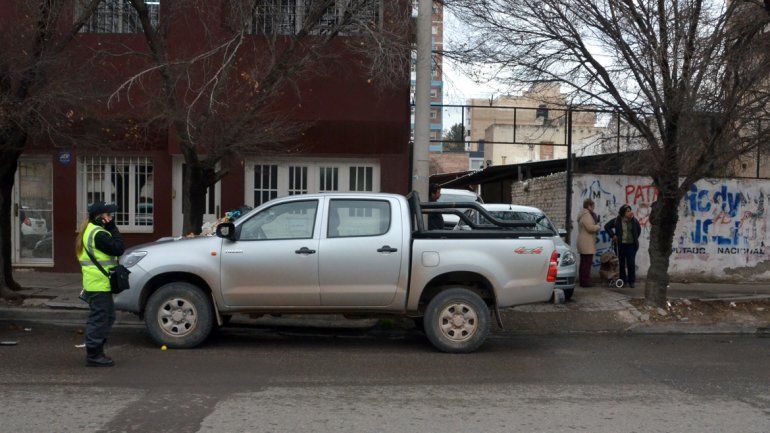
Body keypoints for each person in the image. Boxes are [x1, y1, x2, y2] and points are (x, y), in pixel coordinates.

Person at [75, 202, 124, 367]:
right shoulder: (99, 234)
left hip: (98, 283)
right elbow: (118, 248)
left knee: (108, 317)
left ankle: (97, 351)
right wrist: (113, 227)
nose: (111, 218)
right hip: (98, 284)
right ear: (100, 217)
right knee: (100, 319)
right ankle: (94, 355)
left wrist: (109, 225)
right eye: (108, 215)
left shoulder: (92, 230)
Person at [604, 204, 642, 288]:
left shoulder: (634, 221)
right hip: (620, 245)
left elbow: (638, 230)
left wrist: (634, 239)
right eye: (628, 211)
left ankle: (631, 281)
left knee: (631, 263)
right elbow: (607, 226)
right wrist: (613, 235)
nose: (630, 212)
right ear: (623, 213)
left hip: (631, 245)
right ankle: (623, 281)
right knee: (621, 263)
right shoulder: (617, 220)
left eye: (630, 210)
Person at [576, 198, 601, 287]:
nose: (594, 208)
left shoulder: (583, 214)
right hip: (586, 242)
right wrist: (598, 226)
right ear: (589, 206)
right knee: (586, 263)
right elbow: (590, 228)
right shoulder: (586, 215)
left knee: (584, 262)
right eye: (593, 206)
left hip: (585, 242)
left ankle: (583, 281)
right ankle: (585, 282)